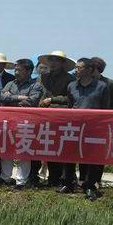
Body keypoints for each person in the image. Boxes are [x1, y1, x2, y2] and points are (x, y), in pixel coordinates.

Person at [61, 58, 110, 200]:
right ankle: (68, 183)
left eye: (79, 67)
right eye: (75, 67)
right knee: (69, 155)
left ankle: (89, 186)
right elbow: (70, 105)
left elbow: (105, 108)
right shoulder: (71, 86)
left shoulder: (102, 86)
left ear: (89, 69)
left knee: (91, 157)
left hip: (93, 128)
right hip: (74, 126)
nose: (76, 70)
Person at [0, 58, 43, 188]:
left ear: (29, 71)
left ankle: (21, 181)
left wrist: (10, 99)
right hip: (9, 122)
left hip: (26, 123)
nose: (16, 72)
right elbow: (1, 97)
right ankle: (5, 178)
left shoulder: (36, 85)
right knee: (6, 149)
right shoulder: (10, 84)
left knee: (24, 151)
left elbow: (32, 101)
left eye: (19, 70)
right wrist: (18, 97)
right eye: (15, 70)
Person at [37, 51, 76, 188]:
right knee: (50, 147)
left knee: (63, 148)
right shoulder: (43, 77)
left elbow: (71, 98)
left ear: (63, 63)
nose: (53, 63)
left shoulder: (70, 79)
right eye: (51, 60)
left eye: (56, 60)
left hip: (62, 117)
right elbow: (38, 93)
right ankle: (52, 178)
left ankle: (66, 179)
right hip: (44, 116)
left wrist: (52, 99)